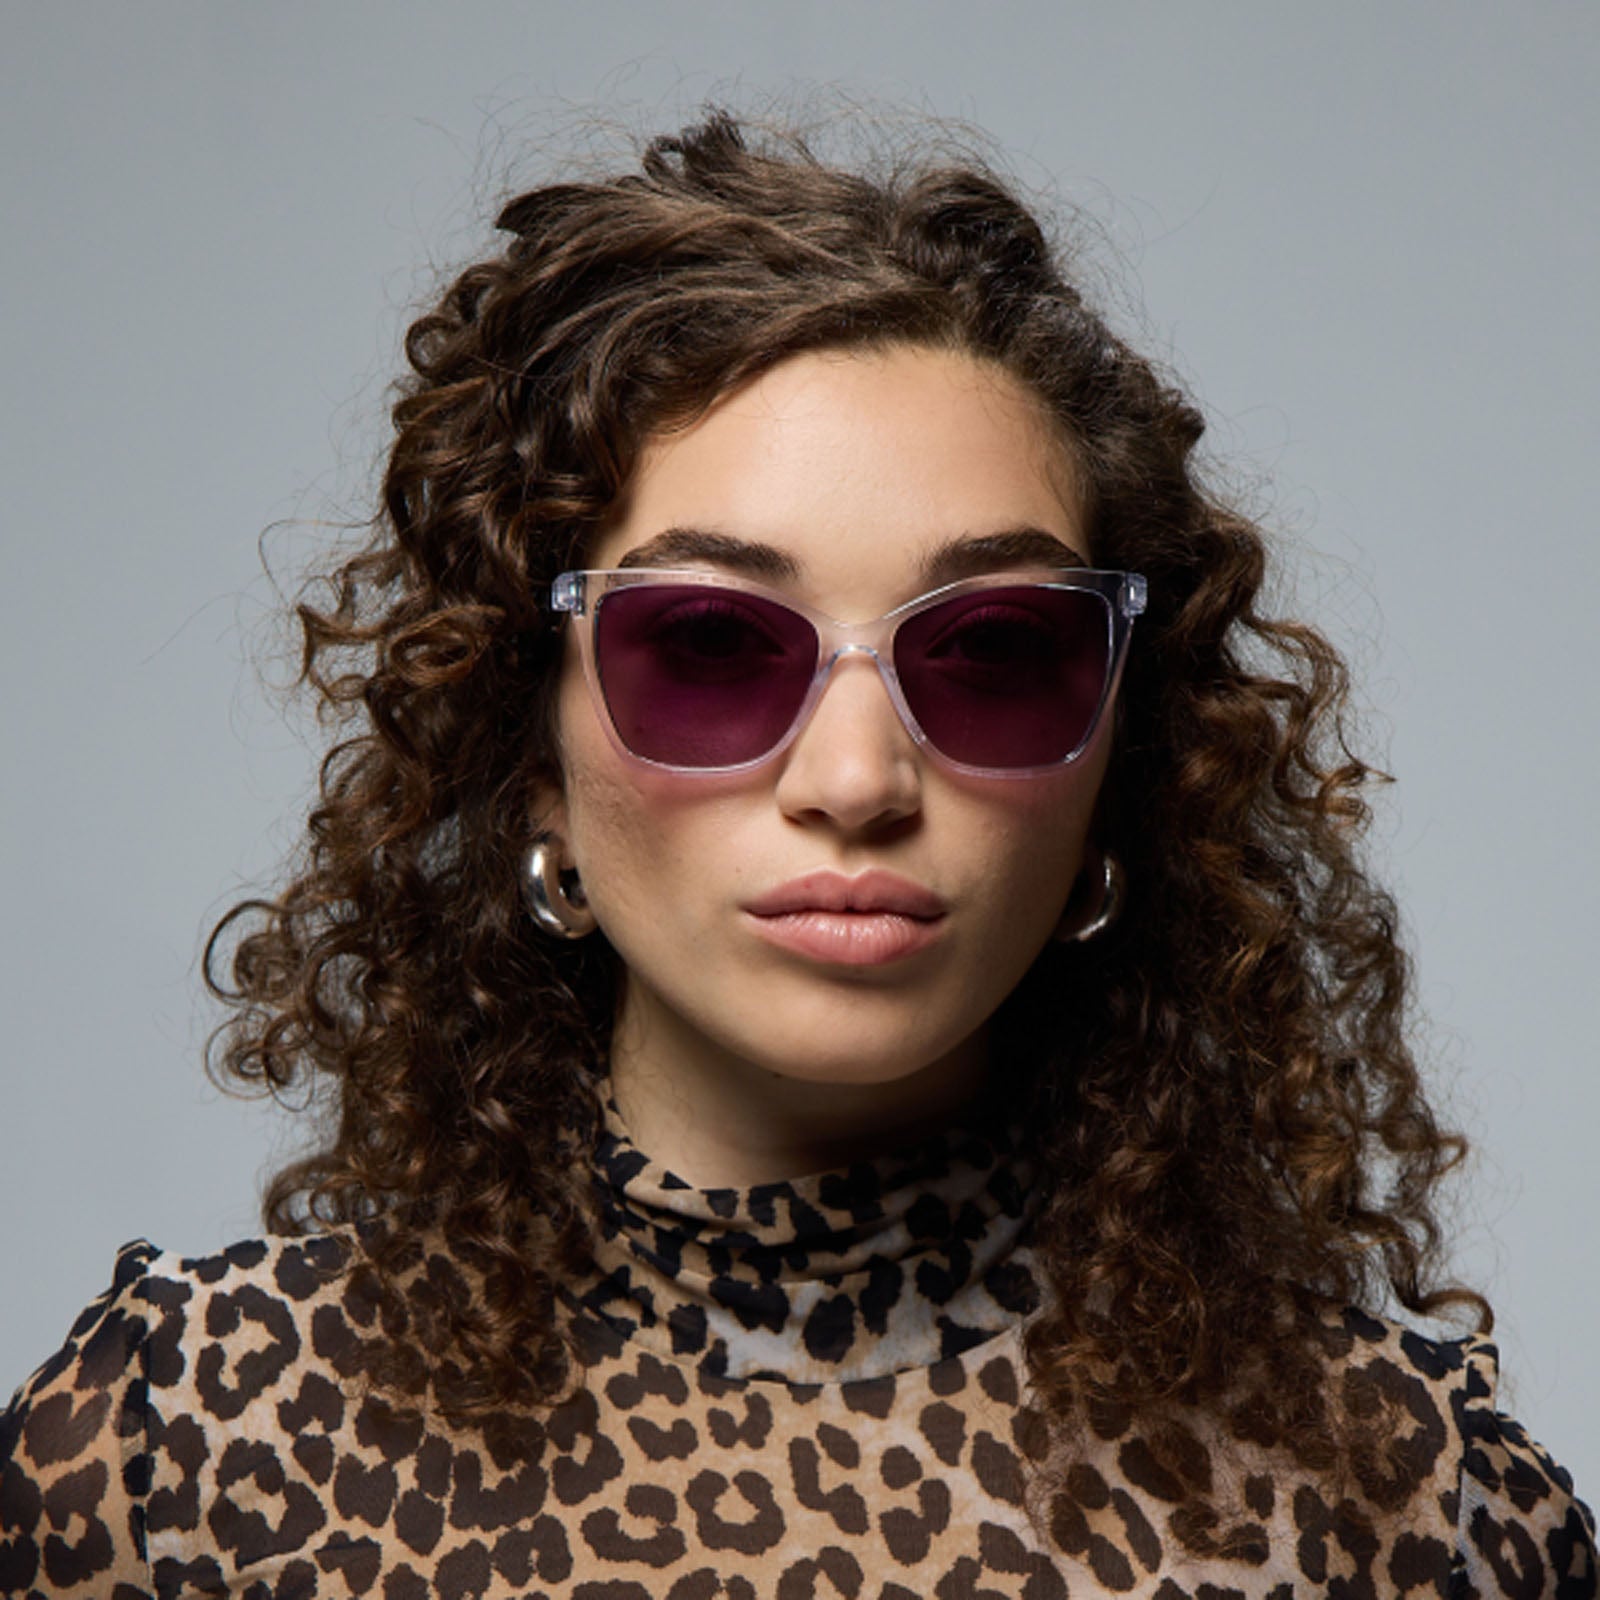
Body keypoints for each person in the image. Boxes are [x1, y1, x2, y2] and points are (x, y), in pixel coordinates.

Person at [2, 110, 1593, 1600]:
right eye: (707, 645)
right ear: (530, 759)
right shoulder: (183, 1459)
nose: (855, 779)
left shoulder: (1403, 1505)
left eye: (992, 654)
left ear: (1121, 766)